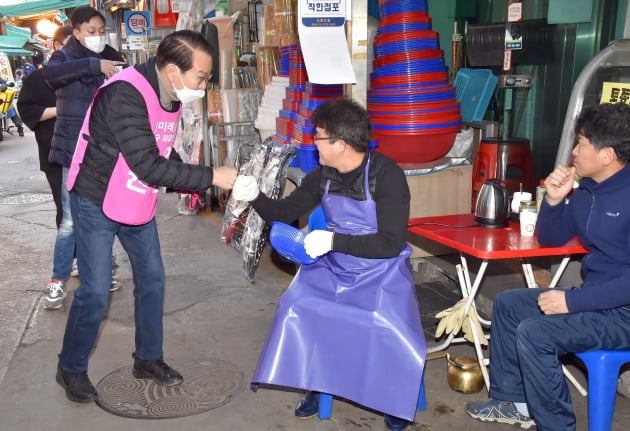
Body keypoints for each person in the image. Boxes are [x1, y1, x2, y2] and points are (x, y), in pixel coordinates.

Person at [55, 29, 237, 403]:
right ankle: (70, 367)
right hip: (97, 195)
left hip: (134, 196)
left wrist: (192, 181)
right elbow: (150, 165)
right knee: (93, 290)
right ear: (173, 70)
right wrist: (211, 177)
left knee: (152, 279)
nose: (203, 85)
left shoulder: (170, 94)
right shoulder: (125, 93)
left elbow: (160, 149)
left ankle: (148, 358)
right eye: (200, 77)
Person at [232, 99, 426, 431]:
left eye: (318, 137)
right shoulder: (323, 175)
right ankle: (317, 380)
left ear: (341, 143)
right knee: (297, 305)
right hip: (334, 267)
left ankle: (394, 394)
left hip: (382, 271)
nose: (313, 143)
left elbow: (389, 244)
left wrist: (334, 241)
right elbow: (283, 212)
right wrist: (254, 196)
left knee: (384, 323)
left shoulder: (387, 175)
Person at [465, 102, 630, 431]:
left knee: (536, 333)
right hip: (597, 297)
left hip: (624, 313)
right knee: (511, 304)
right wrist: (554, 200)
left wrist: (572, 302)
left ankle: (556, 425)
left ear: (607, 154)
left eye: (581, 143)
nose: (573, 153)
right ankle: (515, 402)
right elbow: (551, 238)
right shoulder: (588, 190)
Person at [41, 6, 126, 309]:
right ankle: (57, 281)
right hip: (72, 151)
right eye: (91, 31)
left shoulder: (114, 56)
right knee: (70, 222)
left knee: (106, 214)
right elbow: (52, 76)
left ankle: (105, 270)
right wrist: (95, 65)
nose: (98, 36)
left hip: (106, 151)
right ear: (76, 32)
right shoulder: (63, 58)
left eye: (101, 30)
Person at [17, 26, 73, 228]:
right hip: (55, 155)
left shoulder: (88, 75)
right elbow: (26, 109)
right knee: (66, 209)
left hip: (89, 154)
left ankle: (94, 254)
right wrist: (60, 109)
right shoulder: (36, 79)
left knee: (93, 208)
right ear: (56, 46)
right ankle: (69, 256)